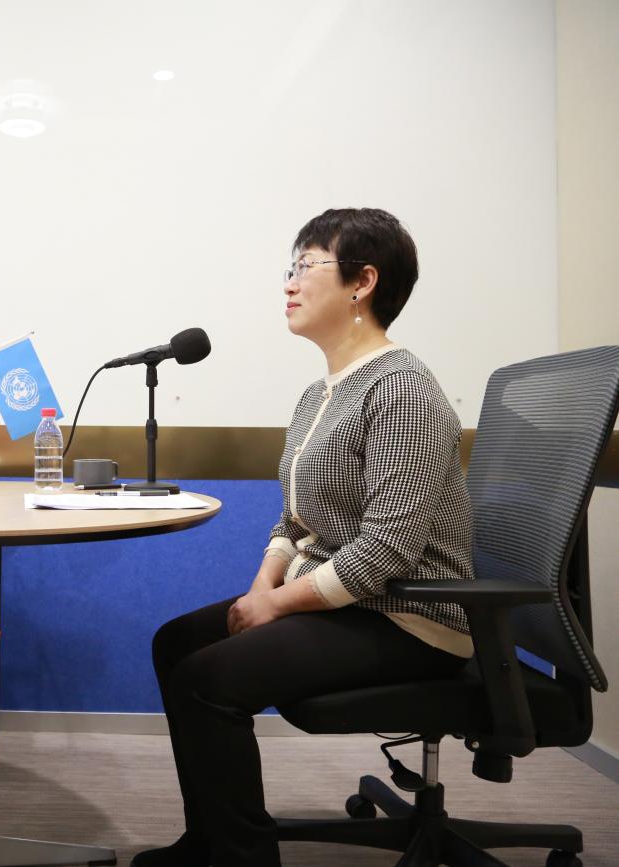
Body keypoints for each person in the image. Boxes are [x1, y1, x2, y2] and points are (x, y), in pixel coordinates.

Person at [137, 208, 474, 867]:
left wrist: (278, 606)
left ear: (362, 282)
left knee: (208, 679)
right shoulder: (319, 394)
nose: (289, 282)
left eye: (306, 265)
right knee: (177, 643)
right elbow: (295, 522)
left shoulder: (403, 389)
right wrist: (263, 585)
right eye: (289, 267)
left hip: (410, 615)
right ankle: (205, 842)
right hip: (356, 602)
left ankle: (244, 858)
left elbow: (385, 551)